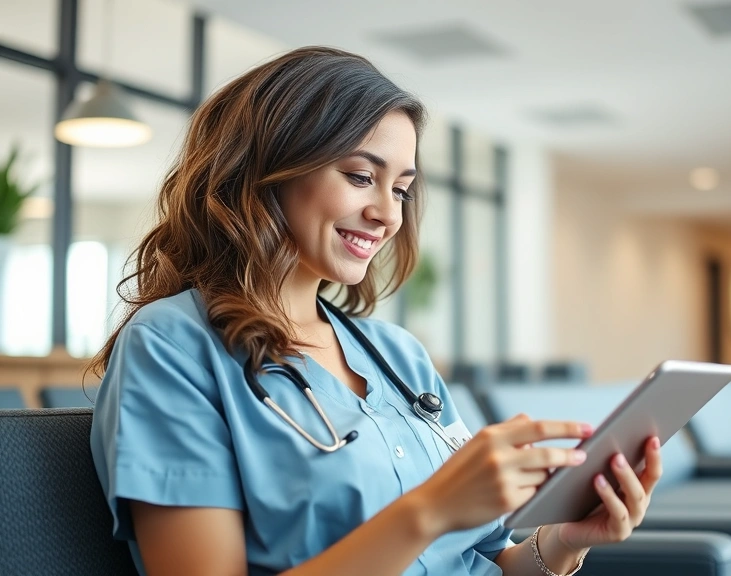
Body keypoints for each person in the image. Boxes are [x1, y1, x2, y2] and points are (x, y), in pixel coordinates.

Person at [88, 46, 662, 576]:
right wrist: (430, 510)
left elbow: (490, 559)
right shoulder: (172, 347)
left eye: (402, 190)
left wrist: (566, 540)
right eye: (362, 177)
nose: (388, 214)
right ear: (267, 170)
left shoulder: (397, 356)